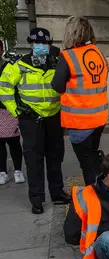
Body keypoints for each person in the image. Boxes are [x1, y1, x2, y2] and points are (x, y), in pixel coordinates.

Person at [0, 28, 71, 214]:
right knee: (34, 160)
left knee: (55, 157)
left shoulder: (57, 62)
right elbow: (5, 88)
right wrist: (16, 111)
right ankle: (37, 200)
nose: (41, 46)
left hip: (54, 117)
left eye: (45, 43)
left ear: (50, 44)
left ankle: (57, 194)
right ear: (31, 44)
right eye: (37, 43)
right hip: (30, 119)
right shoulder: (19, 64)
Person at [52, 16, 109, 186]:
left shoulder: (68, 56)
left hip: (80, 121)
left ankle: (95, 198)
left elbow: (57, 86)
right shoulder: (98, 53)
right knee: (91, 158)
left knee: (86, 165)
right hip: (99, 118)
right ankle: (103, 186)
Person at [0, 41, 25, 185]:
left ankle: (17, 170)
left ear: (2, 49)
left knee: (14, 141)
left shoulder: (9, 67)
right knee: (0, 143)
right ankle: (2, 171)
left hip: (8, 108)